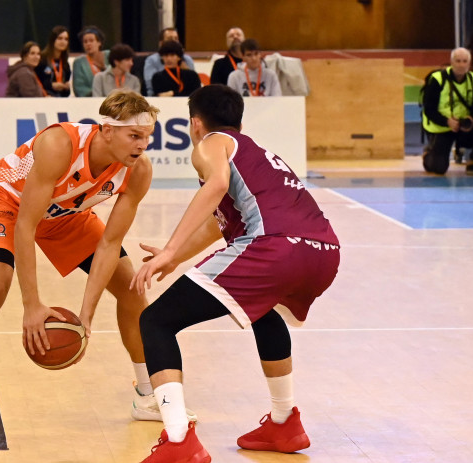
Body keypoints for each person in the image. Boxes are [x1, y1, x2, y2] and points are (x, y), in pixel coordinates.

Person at [0, 90, 196, 443]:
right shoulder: (59, 144)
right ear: (107, 131)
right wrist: (32, 306)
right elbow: (26, 224)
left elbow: (109, 244)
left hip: (66, 215)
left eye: (148, 137)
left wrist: (86, 315)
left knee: (131, 288)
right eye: (135, 136)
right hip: (9, 202)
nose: (142, 145)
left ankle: (147, 395)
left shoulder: (138, 171)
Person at [132, 85, 340, 462]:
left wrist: (171, 249)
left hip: (275, 247)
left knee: (155, 321)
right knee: (265, 311)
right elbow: (221, 222)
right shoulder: (259, 152)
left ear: (194, 123)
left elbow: (216, 186)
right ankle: (284, 423)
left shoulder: (211, 142)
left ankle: (178, 440)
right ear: (239, 119)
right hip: (324, 251)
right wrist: (173, 256)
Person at [422, 47, 473, 176]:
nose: (461, 65)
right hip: (443, 127)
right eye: (458, 61)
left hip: (464, 127)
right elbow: (429, 109)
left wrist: (471, 120)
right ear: (451, 62)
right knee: (438, 168)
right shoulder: (438, 79)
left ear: (469, 64)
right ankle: (428, 153)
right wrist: (447, 121)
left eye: (464, 61)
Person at [143, 27, 196, 97]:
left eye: (176, 38)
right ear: (161, 43)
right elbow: (150, 86)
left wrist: (185, 71)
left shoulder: (187, 59)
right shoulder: (152, 60)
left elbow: (194, 86)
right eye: (170, 38)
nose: (174, 41)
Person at [35, 25, 72, 97]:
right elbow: (36, 82)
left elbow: (66, 93)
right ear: (52, 40)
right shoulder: (42, 60)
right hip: (44, 99)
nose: (63, 42)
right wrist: (51, 85)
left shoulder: (65, 64)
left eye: (66, 39)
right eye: (60, 38)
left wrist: (66, 87)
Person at [72, 26, 109, 97]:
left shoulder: (109, 56)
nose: (88, 44)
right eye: (85, 42)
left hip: (111, 98)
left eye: (91, 40)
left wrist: (104, 67)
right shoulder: (79, 62)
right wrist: (97, 93)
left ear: (99, 42)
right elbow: (79, 87)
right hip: (90, 99)